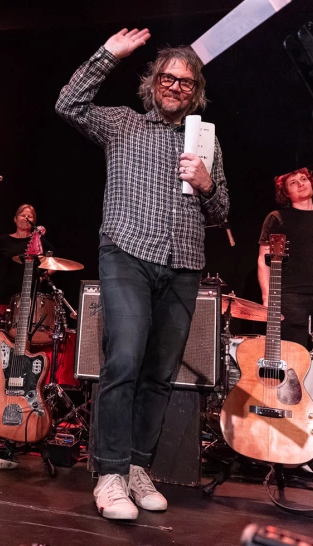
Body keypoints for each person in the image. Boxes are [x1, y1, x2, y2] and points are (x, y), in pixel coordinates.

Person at [56, 28, 229, 520]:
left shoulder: (206, 142)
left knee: (159, 375)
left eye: (186, 82)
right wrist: (107, 53)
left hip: (184, 264)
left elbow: (221, 213)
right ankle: (109, 474)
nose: (176, 87)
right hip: (126, 253)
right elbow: (69, 104)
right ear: (153, 82)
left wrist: (207, 181)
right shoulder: (122, 124)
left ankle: (136, 466)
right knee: (124, 359)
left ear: (196, 92)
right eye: (168, 78)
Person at [257, 167, 313, 348]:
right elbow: (263, 260)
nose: (300, 184)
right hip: (292, 298)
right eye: (293, 182)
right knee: (293, 356)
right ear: (286, 193)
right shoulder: (277, 218)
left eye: (303, 179)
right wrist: (267, 299)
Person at [0, 204, 54, 307]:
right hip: (3, 293)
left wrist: (42, 277)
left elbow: (55, 262)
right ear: (15, 219)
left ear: (33, 221)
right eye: (22, 215)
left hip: (29, 292)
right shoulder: (3, 240)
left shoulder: (39, 241)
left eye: (29, 216)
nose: (26, 218)